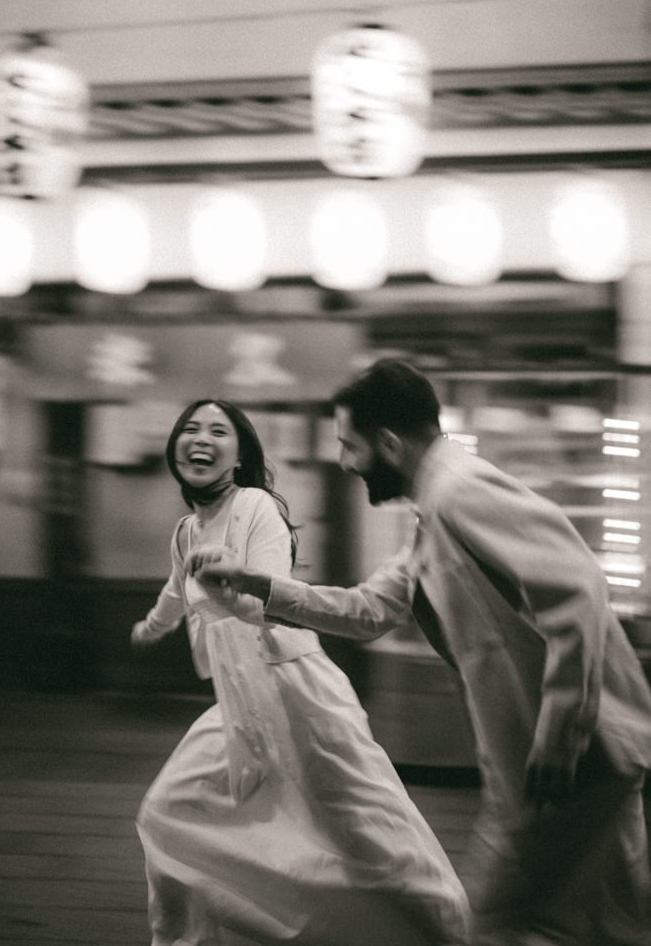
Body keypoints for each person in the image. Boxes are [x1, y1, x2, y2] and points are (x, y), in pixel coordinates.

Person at [190, 361, 651, 946]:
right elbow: (368, 610)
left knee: (498, 923)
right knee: (609, 922)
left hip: (565, 765)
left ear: (388, 444)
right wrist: (256, 584)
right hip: (565, 765)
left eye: (349, 445)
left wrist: (562, 730)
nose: (344, 461)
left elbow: (578, 586)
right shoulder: (433, 507)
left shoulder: (461, 490)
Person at [131, 397, 470, 946]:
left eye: (218, 431)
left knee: (369, 837)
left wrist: (233, 592)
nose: (201, 439)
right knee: (167, 813)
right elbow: (176, 590)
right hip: (237, 704)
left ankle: (447, 929)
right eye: (191, 429)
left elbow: (269, 600)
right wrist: (152, 626)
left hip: (298, 692)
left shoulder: (256, 508)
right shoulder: (187, 531)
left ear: (240, 457)